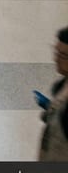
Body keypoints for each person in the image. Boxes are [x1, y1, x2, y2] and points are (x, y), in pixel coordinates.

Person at [38, 26, 68, 161]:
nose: (56, 59)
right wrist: (50, 108)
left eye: (63, 56)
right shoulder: (61, 85)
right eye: (56, 52)